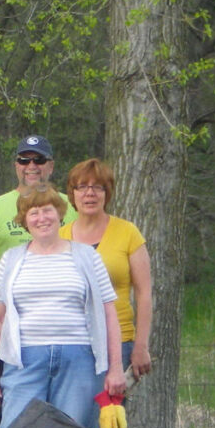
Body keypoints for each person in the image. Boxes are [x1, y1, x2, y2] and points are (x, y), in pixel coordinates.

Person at [0, 185, 126, 428]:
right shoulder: (11, 259)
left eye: (47, 210)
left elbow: (109, 314)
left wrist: (115, 368)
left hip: (79, 359)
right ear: (24, 221)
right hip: (23, 359)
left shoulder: (87, 257)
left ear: (59, 214)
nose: (42, 218)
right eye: (33, 213)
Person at [61, 158, 153, 380]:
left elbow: (144, 293)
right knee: (72, 414)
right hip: (72, 342)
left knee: (110, 413)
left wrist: (141, 346)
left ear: (107, 193)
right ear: (72, 194)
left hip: (118, 342)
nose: (89, 194)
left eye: (97, 187)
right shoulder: (59, 236)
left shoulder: (128, 232)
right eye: (82, 187)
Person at [0, 135, 76, 258]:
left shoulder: (72, 205)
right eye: (24, 160)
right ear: (16, 166)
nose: (32, 165)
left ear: (51, 166)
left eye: (39, 160)